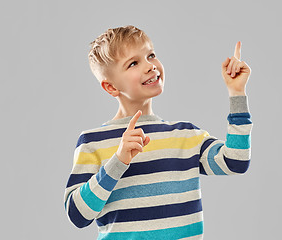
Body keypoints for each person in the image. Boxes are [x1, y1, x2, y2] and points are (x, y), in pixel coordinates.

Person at [64, 25, 253, 240]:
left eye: (151, 55)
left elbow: (236, 161)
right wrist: (117, 162)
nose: (150, 66)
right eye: (133, 63)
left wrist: (237, 93)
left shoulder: (186, 136)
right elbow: (77, 215)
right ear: (111, 87)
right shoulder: (93, 142)